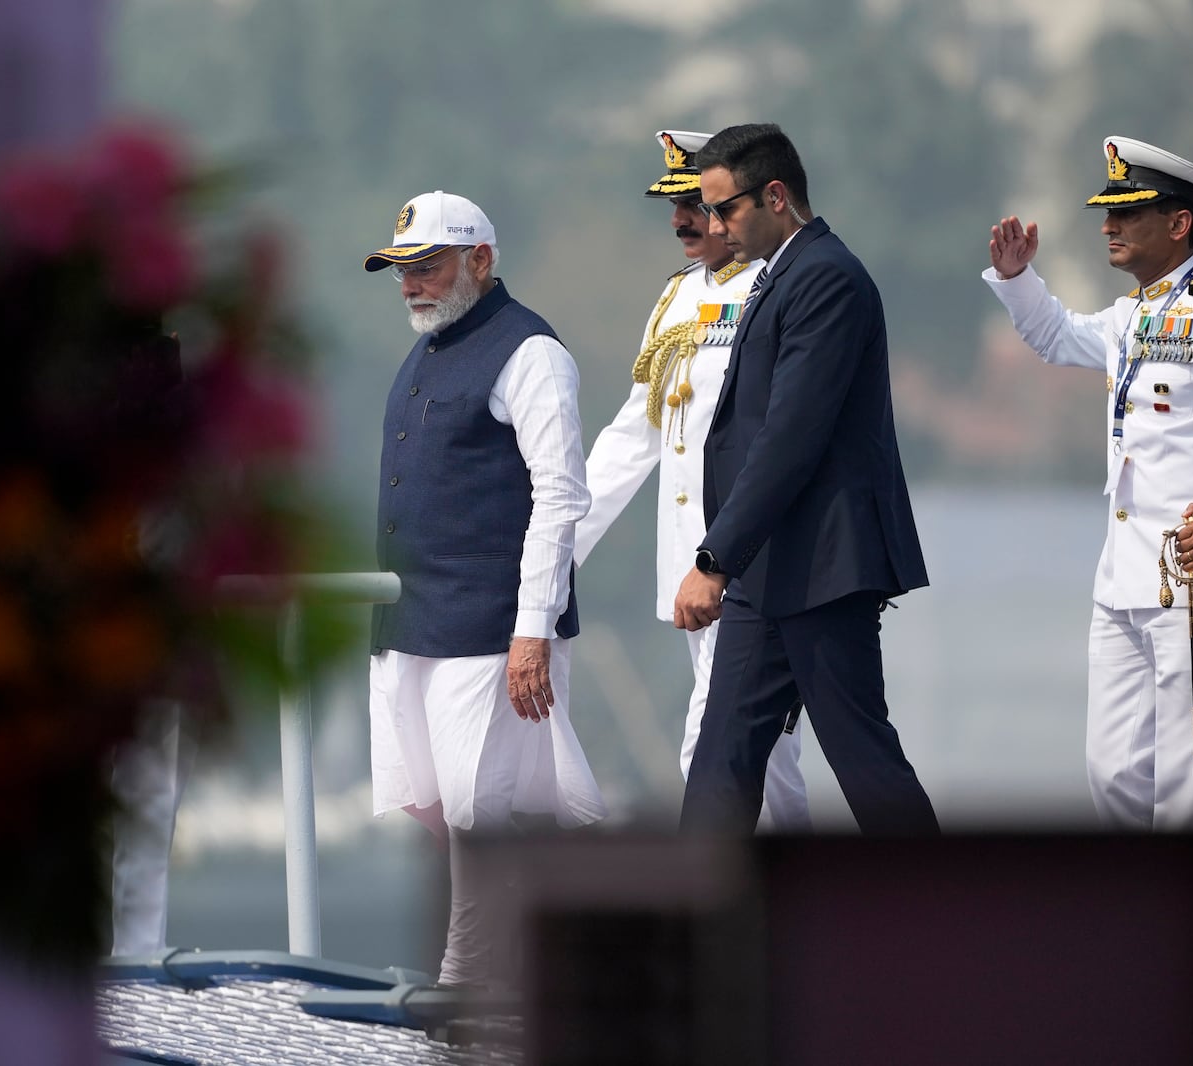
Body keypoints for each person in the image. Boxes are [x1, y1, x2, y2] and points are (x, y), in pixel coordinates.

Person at [984, 136, 1193, 830]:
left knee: (1187, 788)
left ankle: (1192, 934)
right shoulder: (1129, 316)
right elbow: (1054, 336)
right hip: (1124, 581)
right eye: (1107, 212)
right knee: (1112, 776)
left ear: (1178, 223)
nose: (1108, 224)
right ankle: (1133, 927)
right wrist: (1020, 280)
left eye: (1129, 211)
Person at [363, 191, 607, 986]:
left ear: (481, 260)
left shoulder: (530, 352)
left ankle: (470, 978)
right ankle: (532, 952)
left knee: (481, 809)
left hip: (488, 624)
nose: (411, 285)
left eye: (427, 267)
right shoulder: (430, 346)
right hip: (411, 620)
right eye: (402, 271)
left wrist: (532, 626)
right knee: (430, 801)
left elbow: (560, 493)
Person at [673, 123, 938, 835]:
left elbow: (789, 437)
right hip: (770, 573)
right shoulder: (780, 275)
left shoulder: (826, 277)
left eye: (726, 208)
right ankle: (688, 937)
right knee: (719, 766)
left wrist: (713, 558)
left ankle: (954, 927)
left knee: (865, 765)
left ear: (777, 195)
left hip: (822, 569)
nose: (715, 225)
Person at [576, 130, 809, 831]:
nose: (680, 220)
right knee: (762, 765)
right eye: (673, 205)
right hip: (689, 563)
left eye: (694, 205)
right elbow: (635, 432)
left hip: (751, 563)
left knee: (716, 751)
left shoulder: (778, 291)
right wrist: (557, 547)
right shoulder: (677, 297)